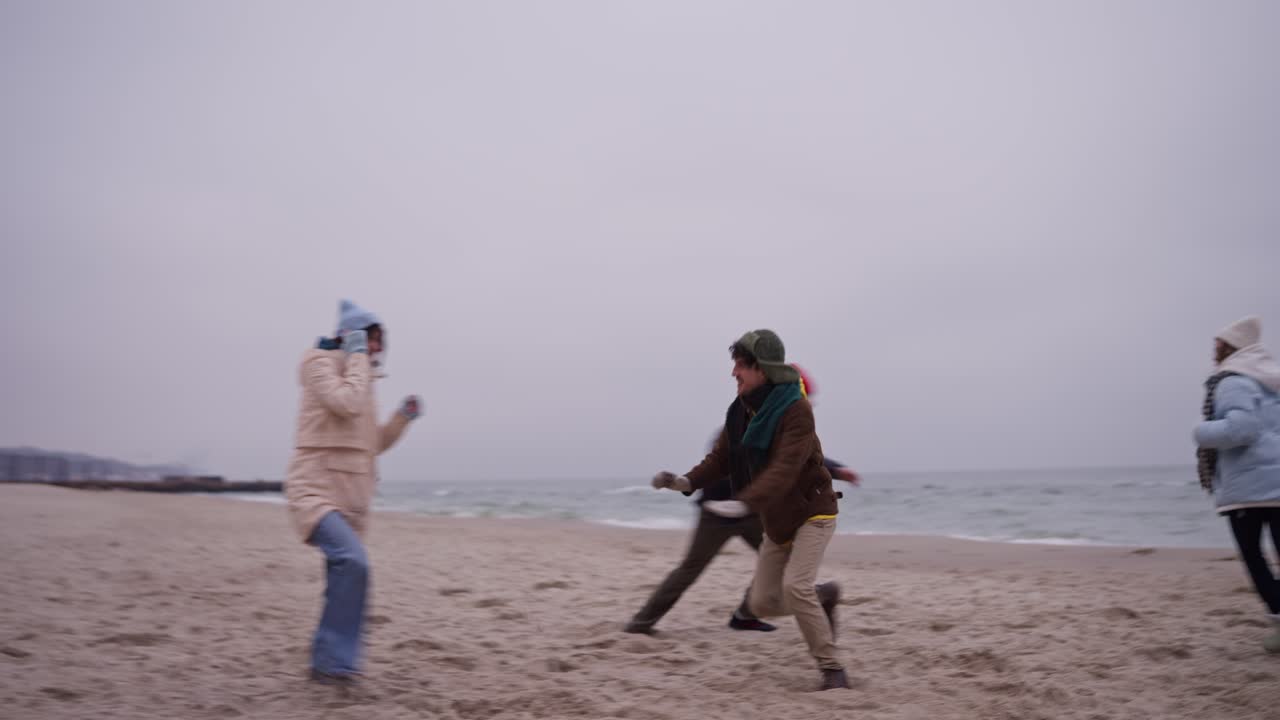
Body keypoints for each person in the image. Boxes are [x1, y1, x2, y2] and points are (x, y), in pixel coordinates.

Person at [650, 329, 850, 691]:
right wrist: (684, 481)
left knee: (795, 587)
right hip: (776, 520)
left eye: (741, 365)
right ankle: (825, 596)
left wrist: (744, 502)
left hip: (812, 514)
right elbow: (721, 459)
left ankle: (833, 670)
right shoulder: (739, 411)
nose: (733, 373)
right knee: (762, 603)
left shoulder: (796, 411)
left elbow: (785, 468)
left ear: (763, 368)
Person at [624, 363, 859, 635]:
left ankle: (746, 615)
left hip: (753, 513)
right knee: (690, 569)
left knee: (775, 564)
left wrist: (838, 470)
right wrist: (684, 482)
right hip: (717, 512)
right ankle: (641, 624)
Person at [284, 300, 422, 683]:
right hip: (314, 489)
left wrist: (401, 419)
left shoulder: (362, 383)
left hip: (350, 497)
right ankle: (335, 663)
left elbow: (370, 444)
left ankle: (326, 661)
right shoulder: (318, 363)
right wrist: (357, 356)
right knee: (354, 563)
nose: (376, 350)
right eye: (371, 340)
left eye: (379, 343)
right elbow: (344, 403)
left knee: (343, 577)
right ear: (351, 336)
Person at [1194, 316, 1280, 654]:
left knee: (1254, 558)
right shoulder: (1270, 380)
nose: (1213, 350)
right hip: (1274, 483)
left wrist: (1200, 432)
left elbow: (1240, 430)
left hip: (1250, 489)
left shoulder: (1232, 381)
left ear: (1230, 347)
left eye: (1217, 344)